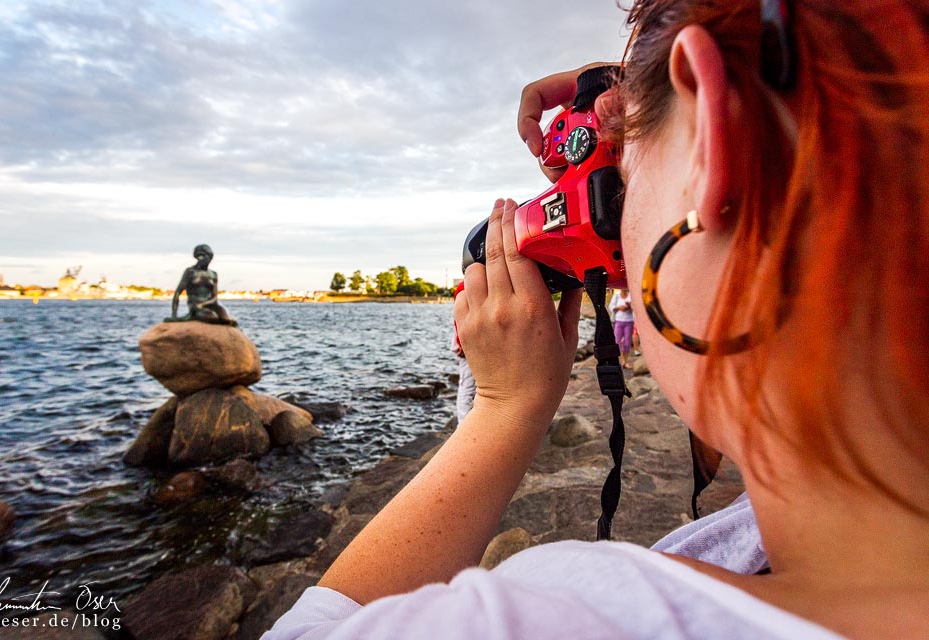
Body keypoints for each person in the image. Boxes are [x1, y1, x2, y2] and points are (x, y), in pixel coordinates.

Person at [263, 2, 929, 638]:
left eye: (626, 183)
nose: (617, 260)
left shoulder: (572, 617)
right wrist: (651, 91)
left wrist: (504, 407)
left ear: (716, 144)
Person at [451, 282, 476, 421]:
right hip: (468, 343)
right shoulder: (464, 287)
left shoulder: (463, 285)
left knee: (468, 387)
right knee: (467, 387)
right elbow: (460, 320)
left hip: (471, 341)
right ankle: (463, 423)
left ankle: (465, 423)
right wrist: (462, 344)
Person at [609, 287, 635, 368]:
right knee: (617, 341)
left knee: (627, 342)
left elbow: (635, 308)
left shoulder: (631, 296)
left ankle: (625, 361)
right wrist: (619, 308)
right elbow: (611, 307)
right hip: (618, 321)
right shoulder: (616, 296)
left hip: (629, 321)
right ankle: (618, 360)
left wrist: (629, 306)